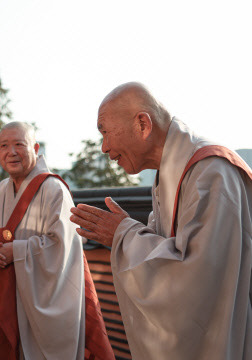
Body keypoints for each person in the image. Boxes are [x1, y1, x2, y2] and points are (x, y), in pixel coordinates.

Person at [70, 82, 252, 359]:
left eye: (105, 132)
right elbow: (164, 249)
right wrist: (127, 231)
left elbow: (196, 279)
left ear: (143, 124)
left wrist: (123, 234)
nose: (105, 147)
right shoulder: (167, 174)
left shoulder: (211, 172)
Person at [0, 122, 113, 360]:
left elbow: (63, 247)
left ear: (35, 148)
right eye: (4, 145)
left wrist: (17, 250)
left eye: (19, 144)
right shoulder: (1, 190)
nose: (11, 152)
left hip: (42, 300)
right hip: (6, 296)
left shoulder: (54, 189)